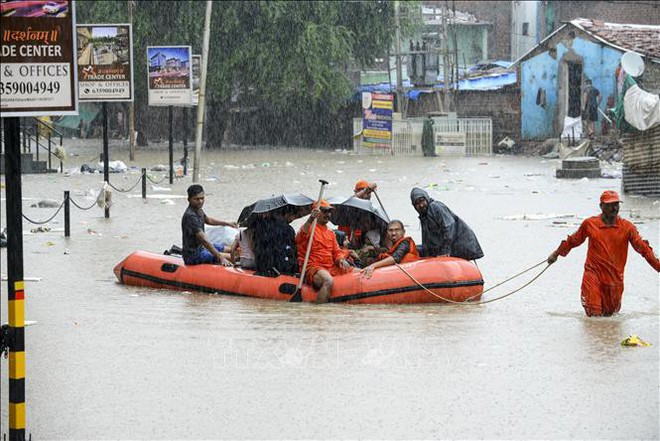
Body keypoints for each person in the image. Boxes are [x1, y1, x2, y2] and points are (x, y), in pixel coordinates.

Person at [547, 190, 660, 317]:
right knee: (594, 318)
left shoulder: (627, 227)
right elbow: (573, 241)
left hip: (615, 281)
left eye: (616, 204)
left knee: (610, 318)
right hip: (593, 276)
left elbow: (644, 249)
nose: (614, 208)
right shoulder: (590, 224)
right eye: (610, 205)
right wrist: (556, 254)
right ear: (601, 206)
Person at [296, 200, 358, 304]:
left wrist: (340, 260)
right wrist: (310, 219)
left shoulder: (331, 233)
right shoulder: (309, 228)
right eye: (324, 211)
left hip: (331, 266)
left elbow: (337, 252)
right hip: (313, 267)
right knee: (328, 281)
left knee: (360, 272)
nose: (327, 214)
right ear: (316, 213)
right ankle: (320, 311)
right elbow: (299, 238)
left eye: (329, 212)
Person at [410, 187, 484, 260]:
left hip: (459, 245)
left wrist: (445, 251)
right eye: (417, 204)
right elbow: (428, 242)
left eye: (422, 201)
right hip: (446, 247)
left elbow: (449, 227)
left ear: (426, 198)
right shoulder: (424, 216)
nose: (421, 205)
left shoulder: (434, 207)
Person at [181, 184, 237, 266]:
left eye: (202, 198)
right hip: (193, 256)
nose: (200, 201)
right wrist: (220, 258)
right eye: (196, 199)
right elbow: (204, 241)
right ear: (189, 199)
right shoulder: (190, 216)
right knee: (232, 256)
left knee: (231, 249)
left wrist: (227, 223)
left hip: (201, 248)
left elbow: (208, 220)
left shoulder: (199, 210)